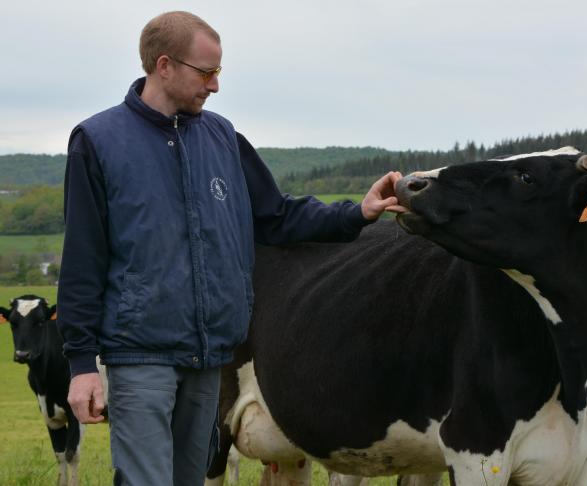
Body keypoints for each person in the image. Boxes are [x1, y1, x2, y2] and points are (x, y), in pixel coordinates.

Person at [56, 11, 405, 486]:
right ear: (163, 65)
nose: (216, 85)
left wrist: (355, 213)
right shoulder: (97, 142)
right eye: (206, 72)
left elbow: (277, 216)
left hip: (209, 356)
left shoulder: (223, 138)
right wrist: (81, 366)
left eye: (219, 71)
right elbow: (82, 259)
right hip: (139, 355)